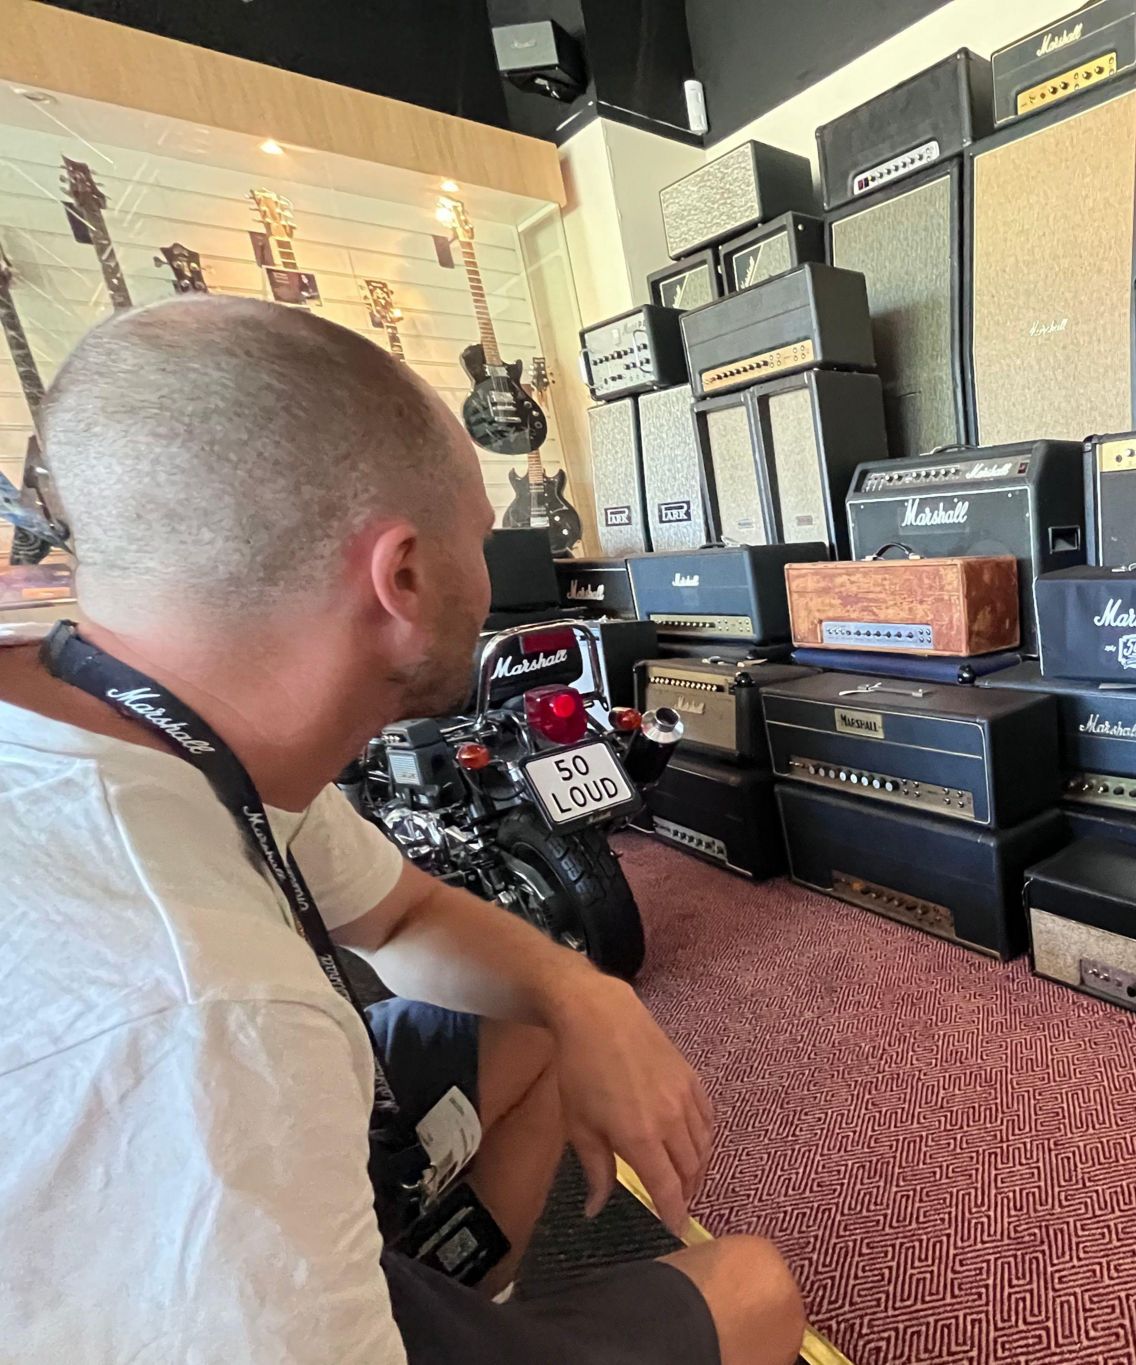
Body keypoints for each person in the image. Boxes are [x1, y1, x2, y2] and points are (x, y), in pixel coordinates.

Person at [0, 296, 805, 1364]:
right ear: (405, 574)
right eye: (479, 535)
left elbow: (405, 909)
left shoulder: (137, 717)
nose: (492, 565)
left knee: (526, 1014)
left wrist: (586, 994)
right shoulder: (201, 1013)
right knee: (751, 1291)